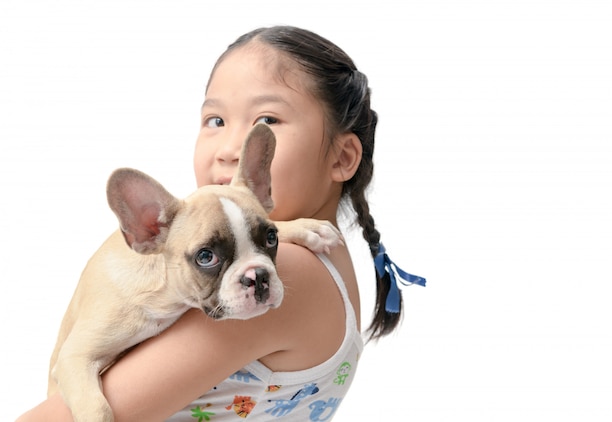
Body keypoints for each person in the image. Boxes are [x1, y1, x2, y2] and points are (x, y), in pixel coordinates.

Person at [17, 25, 425, 421]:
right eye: (215, 120)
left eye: (266, 121)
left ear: (342, 157)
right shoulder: (318, 255)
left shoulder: (288, 275)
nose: (232, 148)